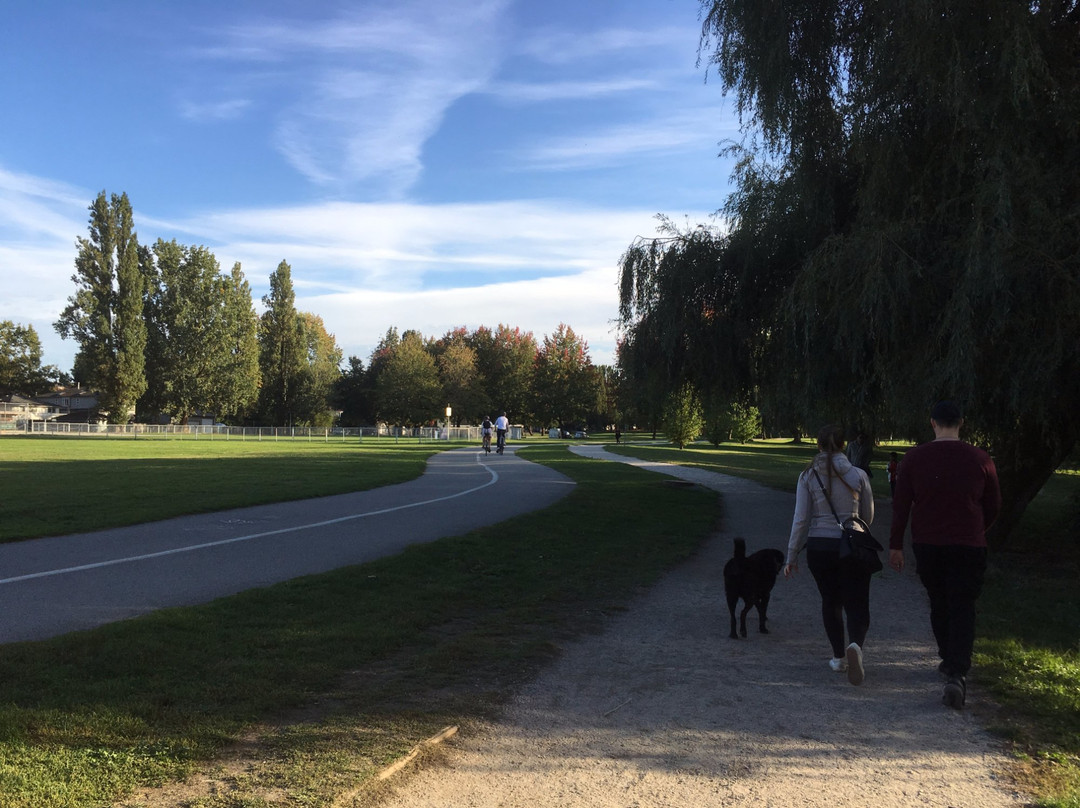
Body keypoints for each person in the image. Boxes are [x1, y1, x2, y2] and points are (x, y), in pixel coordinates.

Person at [889, 401, 1000, 709]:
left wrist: (896, 545)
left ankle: (948, 658)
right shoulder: (980, 458)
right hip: (968, 544)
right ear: (961, 422)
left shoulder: (914, 458)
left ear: (932, 423)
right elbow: (993, 505)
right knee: (963, 605)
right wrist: (978, 529)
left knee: (938, 601)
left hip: (929, 544)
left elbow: (901, 507)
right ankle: (957, 670)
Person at [785, 424, 876, 685]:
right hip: (852, 546)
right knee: (857, 601)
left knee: (830, 601)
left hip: (820, 546)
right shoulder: (859, 475)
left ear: (818, 445)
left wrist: (791, 555)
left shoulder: (808, 476)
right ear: (844, 445)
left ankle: (838, 657)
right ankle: (856, 645)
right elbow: (868, 516)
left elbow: (801, 519)